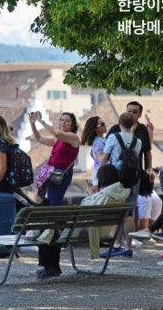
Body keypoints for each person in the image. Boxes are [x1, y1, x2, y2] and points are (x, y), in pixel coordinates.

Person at [36, 163, 130, 279]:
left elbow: (88, 210)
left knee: (48, 228)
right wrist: (94, 196)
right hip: (105, 230)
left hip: (92, 231)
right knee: (53, 229)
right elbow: (94, 209)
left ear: (102, 179)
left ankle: (51, 268)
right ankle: (51, 267)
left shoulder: (106, 195)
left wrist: (90, 195)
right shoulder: (119, 194)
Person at [97, 111, 143, 258]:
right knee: (129, 213)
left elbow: (104, 160)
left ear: (119, 124)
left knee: (115, 211)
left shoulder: (113, 137)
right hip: (131, 178)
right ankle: (128, 247)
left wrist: (98, 155)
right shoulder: (138, 141)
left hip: (115, 178)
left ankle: (116, 245)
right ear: (133, 124)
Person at [30, 111, 80, 205]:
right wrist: (33, 124)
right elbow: (39, 139)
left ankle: (55, 219)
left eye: (67, 121)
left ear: (72, 125)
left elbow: (56, 133)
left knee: (55, 201)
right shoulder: (59, 139)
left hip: (62, 174)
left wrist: (41, 121)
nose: (63, 122)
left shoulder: (73, 137)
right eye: (61, 120)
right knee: (50, 200)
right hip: (52, 172)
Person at [81, 115, 108, 193]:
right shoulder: (97, 142)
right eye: (102, 124)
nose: (105, 126)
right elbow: (101, 160)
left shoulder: (102, 140)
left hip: (103, 175)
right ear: (96, 129)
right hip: (102, 176)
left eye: (104, 123)